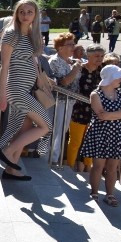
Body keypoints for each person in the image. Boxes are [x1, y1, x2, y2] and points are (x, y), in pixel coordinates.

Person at [0, 0, 52, 180]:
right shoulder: (12, 33)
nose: (25, 15)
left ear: (35, 14)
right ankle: (7, 150)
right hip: (16, 89)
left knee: (20, 128)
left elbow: (34, 62)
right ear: (16, 13)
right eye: (22, 11)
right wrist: (2, 95)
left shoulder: (31, 35)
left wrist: (44, 80)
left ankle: (11, 169)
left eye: (29, 12)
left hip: (26, 89)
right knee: (46, 126)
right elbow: (4, 66)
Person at [80, 64, 121, 207]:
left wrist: (109, 115)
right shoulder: (95, 94)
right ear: (110, 78)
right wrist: (118, 115)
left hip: (116, 133)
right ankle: (94, 192)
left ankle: (110, 194)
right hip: (100, 133)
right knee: (98, 165)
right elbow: (101, 116)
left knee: (112, 166)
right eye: (118, 76)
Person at [68, 44, 105, 170]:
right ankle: (70, 167)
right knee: (75, 141)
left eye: (101, 56)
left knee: (91, 142)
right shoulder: (79, 68)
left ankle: (88, 169)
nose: (99, 58)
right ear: (88, 56)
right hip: (78, 109)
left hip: (95, 111)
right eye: (96, 56)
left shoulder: (103, 71)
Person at [47, 32, 81, 165]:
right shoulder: (55, 61)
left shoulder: (70, 61)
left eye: (74, 43)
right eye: (70, 44)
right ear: (60, 47)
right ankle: (50, 158)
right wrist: (76, 68)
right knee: (56, 129)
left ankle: (55, 158)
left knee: (63, 130)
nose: (73, 47)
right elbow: (64, 82)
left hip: (69, 102)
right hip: (58, 102)